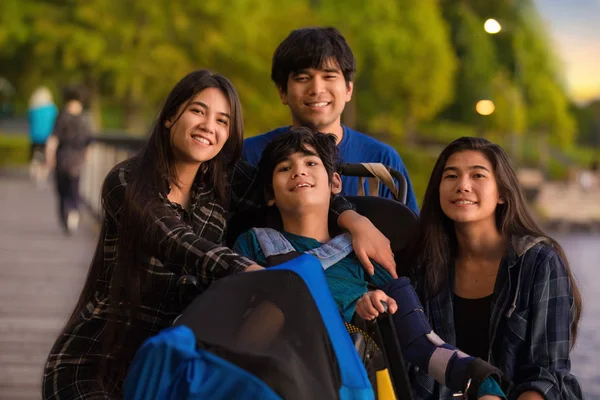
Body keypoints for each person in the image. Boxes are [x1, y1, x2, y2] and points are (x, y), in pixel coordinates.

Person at [42, 70, 395, 399]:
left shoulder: (224, 184)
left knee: (296, 285)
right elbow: (176, 241)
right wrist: (251, 273)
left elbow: (297, 191)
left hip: (181, 360)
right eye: (198, 112)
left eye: (222, 121)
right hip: (101, 359)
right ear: (170, 117)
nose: (208, 127)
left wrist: (351, 218)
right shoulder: (126, 182)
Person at [234, 127, 506, 399]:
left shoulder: (369, 255)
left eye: (311, 163)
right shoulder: (253, 245)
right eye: (284, 168)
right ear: (270, 194)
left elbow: (420, 342)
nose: (298, 171)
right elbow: (237, 326)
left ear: (335, 183)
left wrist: (481, 381)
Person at [409, 137, 583, 399]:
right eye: (451, 176)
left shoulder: (538, 262)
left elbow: (547, 374)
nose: (462, 186)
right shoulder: (422, 264)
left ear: (502, 193)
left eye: (477, 175)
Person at [242, 26, 419, 213]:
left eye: (329, 76)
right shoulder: (250, 155)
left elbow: (409, 235)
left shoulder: (382, 160)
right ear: (282, 91)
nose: (317, 89)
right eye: (303, 78)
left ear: (349, 89)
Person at [44, 86, 94, 234]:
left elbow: (53, 139)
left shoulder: (61, 116)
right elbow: (89, 142)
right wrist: (87, 158)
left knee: (61, 190)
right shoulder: (85, 119)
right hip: (77, 159)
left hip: (62, 157)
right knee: (74, 188)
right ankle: (74, 211)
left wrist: (49, 158)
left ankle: (65, 214)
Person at [27, 86, 58, 184]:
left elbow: (30, 121)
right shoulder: (52, 109)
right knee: (46, 158)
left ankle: (34, 169)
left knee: (36, 156)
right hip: (48, 136)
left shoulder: (33, 109)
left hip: (35, 137)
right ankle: (42, 176)